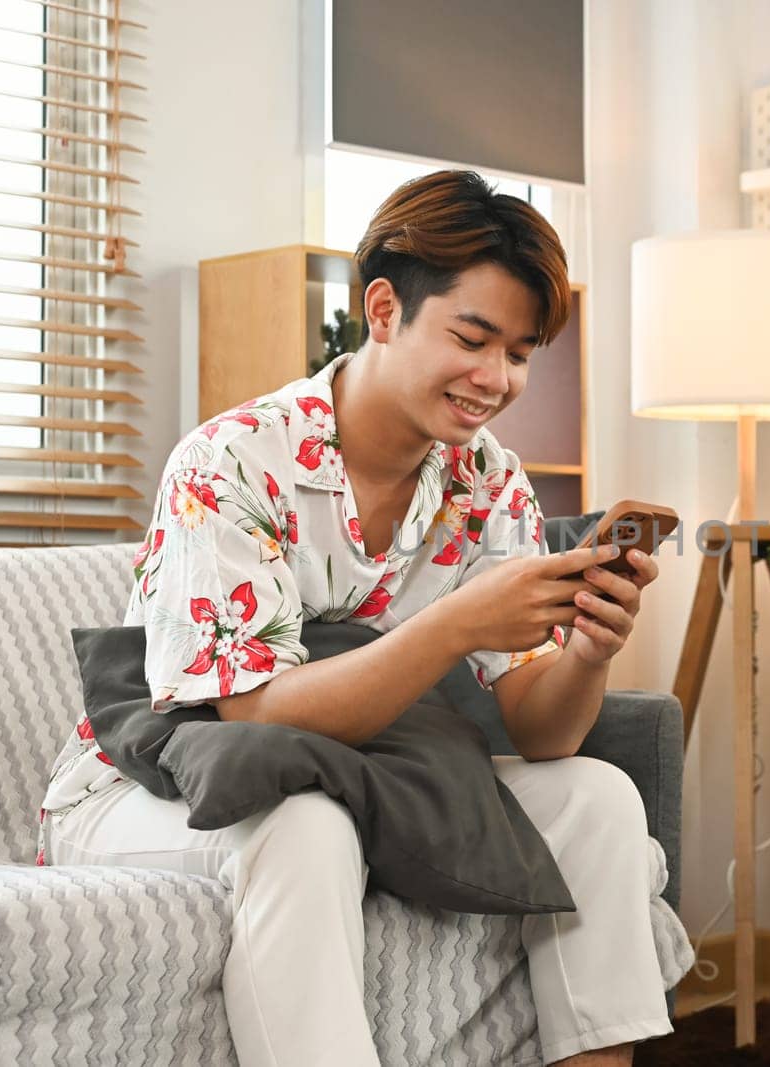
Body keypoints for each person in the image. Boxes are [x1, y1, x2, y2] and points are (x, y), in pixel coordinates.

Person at [36, 170, 674, 1066]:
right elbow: (252, 720)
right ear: (383, 309)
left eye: (521, 353)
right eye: (473, 338)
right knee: (301, 821)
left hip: (368, 772)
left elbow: (543, 735)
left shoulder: (487, 483)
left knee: (600, 796)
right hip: (155, 793)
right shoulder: (231, 463)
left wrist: (589, 654)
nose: (496, 379)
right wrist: (455, 626)